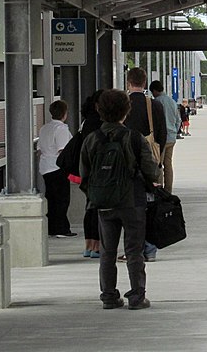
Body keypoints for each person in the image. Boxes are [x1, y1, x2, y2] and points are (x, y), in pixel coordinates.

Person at [79, 89, 161, 310]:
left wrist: (96, 194)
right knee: (134, 250)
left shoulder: (91, 140)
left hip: (104, 203)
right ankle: (136, 297)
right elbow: (152, 170)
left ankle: (108, 296)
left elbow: (84, 175)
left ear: (99, 110)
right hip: (132, 201)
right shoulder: (134, 138)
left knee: (107, 251)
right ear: (127, 111)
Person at [124, 67, 167, 262]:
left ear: (128, 82)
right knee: (150, 207)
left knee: (130, 209)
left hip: (126, 165)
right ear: (144, 82)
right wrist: (158, 160)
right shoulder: (154, 105)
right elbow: (162, 135)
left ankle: (134, 249)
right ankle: (150, 249)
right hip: (149, 164)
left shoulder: (122, 104)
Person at [38, 100, 76, 237]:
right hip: (57, 167)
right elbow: (63, 150)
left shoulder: (44, 128)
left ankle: (52, 226)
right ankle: (61, 228)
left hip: (45, 167)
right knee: (62, 199)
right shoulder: (61, 129)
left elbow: (39, 150)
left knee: (52, 198)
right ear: (65, 114)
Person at [80, 90, 104, 258]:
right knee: (98, 209)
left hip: (88, 172)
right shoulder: (99, 123)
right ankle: (97, 246)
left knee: (89, 208)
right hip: (100, 171)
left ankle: (89, 245)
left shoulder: (86, 122)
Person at [149, 80, 181, 193]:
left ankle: (160, 190)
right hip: (171, 138)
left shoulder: (156, 102)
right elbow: (178, 120)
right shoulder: (172, 101)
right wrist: (173, 132)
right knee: (168, 164)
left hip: (160, 140)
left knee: (158, 165)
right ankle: (168, 190)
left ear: (155, 91)